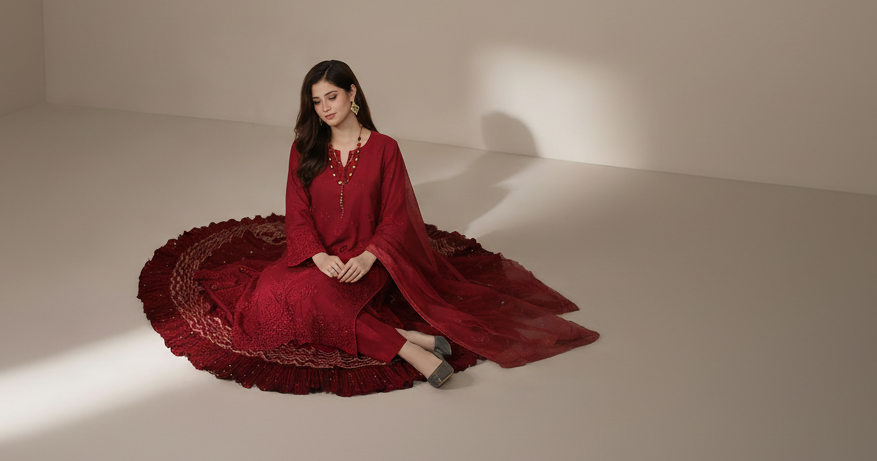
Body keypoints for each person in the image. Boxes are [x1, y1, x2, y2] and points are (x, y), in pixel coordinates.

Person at [225, 60, 599, 388]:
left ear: (352, 92)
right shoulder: (304, 147)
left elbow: (396, 218)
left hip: (369, 260)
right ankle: (406, 341)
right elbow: (298, 212)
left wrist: (368, 258)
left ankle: (413, 352)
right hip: (318, 256)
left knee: (320, 300)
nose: (324, 108)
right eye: (317, 101)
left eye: (332, 97)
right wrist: (320, 257)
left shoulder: (385, 149)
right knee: (268, 293)